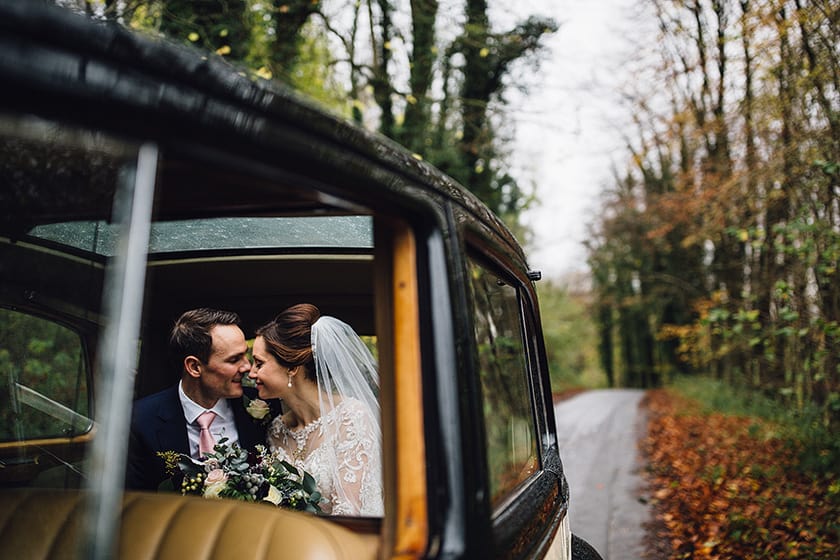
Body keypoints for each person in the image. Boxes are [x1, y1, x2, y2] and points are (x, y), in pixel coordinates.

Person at [249, 303, 383, 516]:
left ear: (292, 368)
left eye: (259, 363)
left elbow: (350, 513)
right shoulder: (276, 429)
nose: (251, 373)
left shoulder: (352, 418)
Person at [125, 308, 266, 490]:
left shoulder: (263, 407)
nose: (247, 367)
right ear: (194, 367)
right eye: (234, 360)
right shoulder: (140, 419)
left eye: (245, 355)